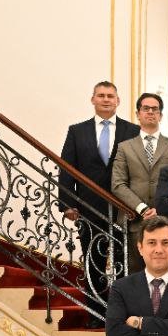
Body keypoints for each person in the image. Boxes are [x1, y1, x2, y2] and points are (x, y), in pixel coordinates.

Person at [58, 81, 138, 309]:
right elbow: (67, 169)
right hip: (88, 207)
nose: (105, 99)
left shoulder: (132, 131)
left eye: (110, 96)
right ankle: (95, 312)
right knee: (93, 261)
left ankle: (122, 310)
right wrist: (67, 204)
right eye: (101, 95)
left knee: (125, 261)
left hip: (124, 208)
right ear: (92, 99)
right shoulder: (77, 131)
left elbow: (139, 170)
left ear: (118, 101)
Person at [110, 93, 168, 271]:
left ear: (161, 115)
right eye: (146, 108)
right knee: (135, 274)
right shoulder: (124, 147)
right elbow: (118, 184)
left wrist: (162, 208)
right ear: (138, 114)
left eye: (155, 109)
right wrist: (142, 208)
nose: (150, 112)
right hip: (135, 221)